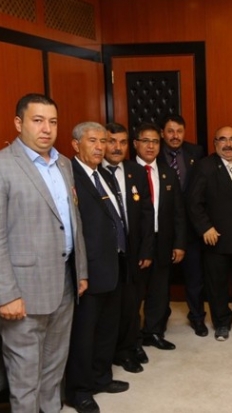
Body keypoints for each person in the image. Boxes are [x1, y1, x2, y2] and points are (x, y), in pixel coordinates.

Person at [0, 93, 87, 413]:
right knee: (25, 376)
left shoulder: (63, 163)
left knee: (53, 368)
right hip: (23, 291)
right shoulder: (4, 166)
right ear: (18, 123)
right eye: (37, 121)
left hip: (64, 282)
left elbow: (73, 221)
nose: (46, 129)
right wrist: (6, 294)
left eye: (52, 121)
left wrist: (80, 272)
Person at [65, 122, 129, 413]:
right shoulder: (70, 175)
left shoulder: (102, 173)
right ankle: (79, 390)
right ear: (76, 144)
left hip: (113, 264)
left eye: (103, 141)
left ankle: (101, 377)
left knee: (107, 328)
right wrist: (81, 270)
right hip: (88, 269)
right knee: (84, 333)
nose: (100, 147)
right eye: (93, 141)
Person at [186, 126, 232, 341]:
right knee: (216, 284)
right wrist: (205, 228)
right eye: (223, 139)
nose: (228, 144)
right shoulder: (205, 166)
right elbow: (193, 202)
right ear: (215, 143)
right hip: (215, 237)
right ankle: (221, 323)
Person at [104, 122, 155, 373]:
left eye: (123, 142)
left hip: (134, 251)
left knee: (132, 303)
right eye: (112, 141)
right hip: (107, 254)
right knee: (112, 307)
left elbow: (147, 213)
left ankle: (129, 347)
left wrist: (146, 250)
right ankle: (113, 350)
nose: (117, 147)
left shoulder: (135, 171)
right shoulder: (95, 172)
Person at [134, 123, 186, 352]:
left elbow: (178, 212)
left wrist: (179, 244)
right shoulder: (127, 171)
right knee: (135, 292)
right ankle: (132, 338)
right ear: (136, 144)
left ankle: (153, 332)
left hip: (162, 241)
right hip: (136, 244)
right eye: (145, 141)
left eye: (155, 141)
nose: (150, 146)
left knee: (159, 289)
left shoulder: (168, 173)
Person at [158, 114, 208, 336]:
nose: (175, 136)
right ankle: (160, 318)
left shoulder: (196, 152)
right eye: (170, 131)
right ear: (162, 133)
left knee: (195, 277)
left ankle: (197, 317)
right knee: (161, 279)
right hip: (162, 227)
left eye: (179, 131)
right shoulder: (153, 152)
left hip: (191, 227)